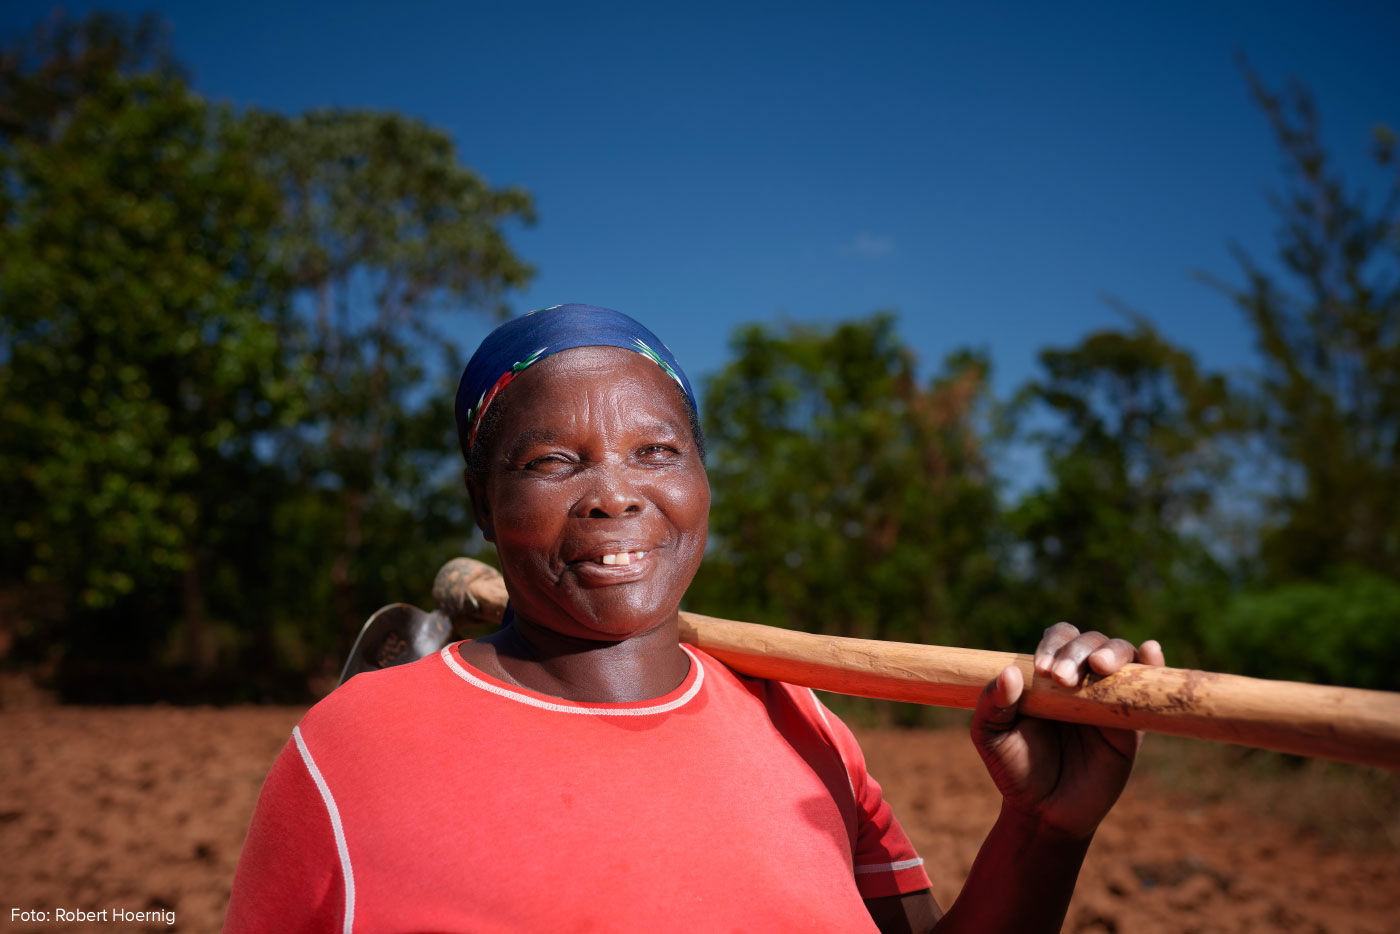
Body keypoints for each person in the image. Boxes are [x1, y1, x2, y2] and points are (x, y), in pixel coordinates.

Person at [225, 303, 1165, 933]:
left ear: (702, 482)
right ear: (483, 504)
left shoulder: (804, 728)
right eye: (554, 462)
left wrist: (1043, 830)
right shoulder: (354, 748)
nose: (615, 497)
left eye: (657, 451)